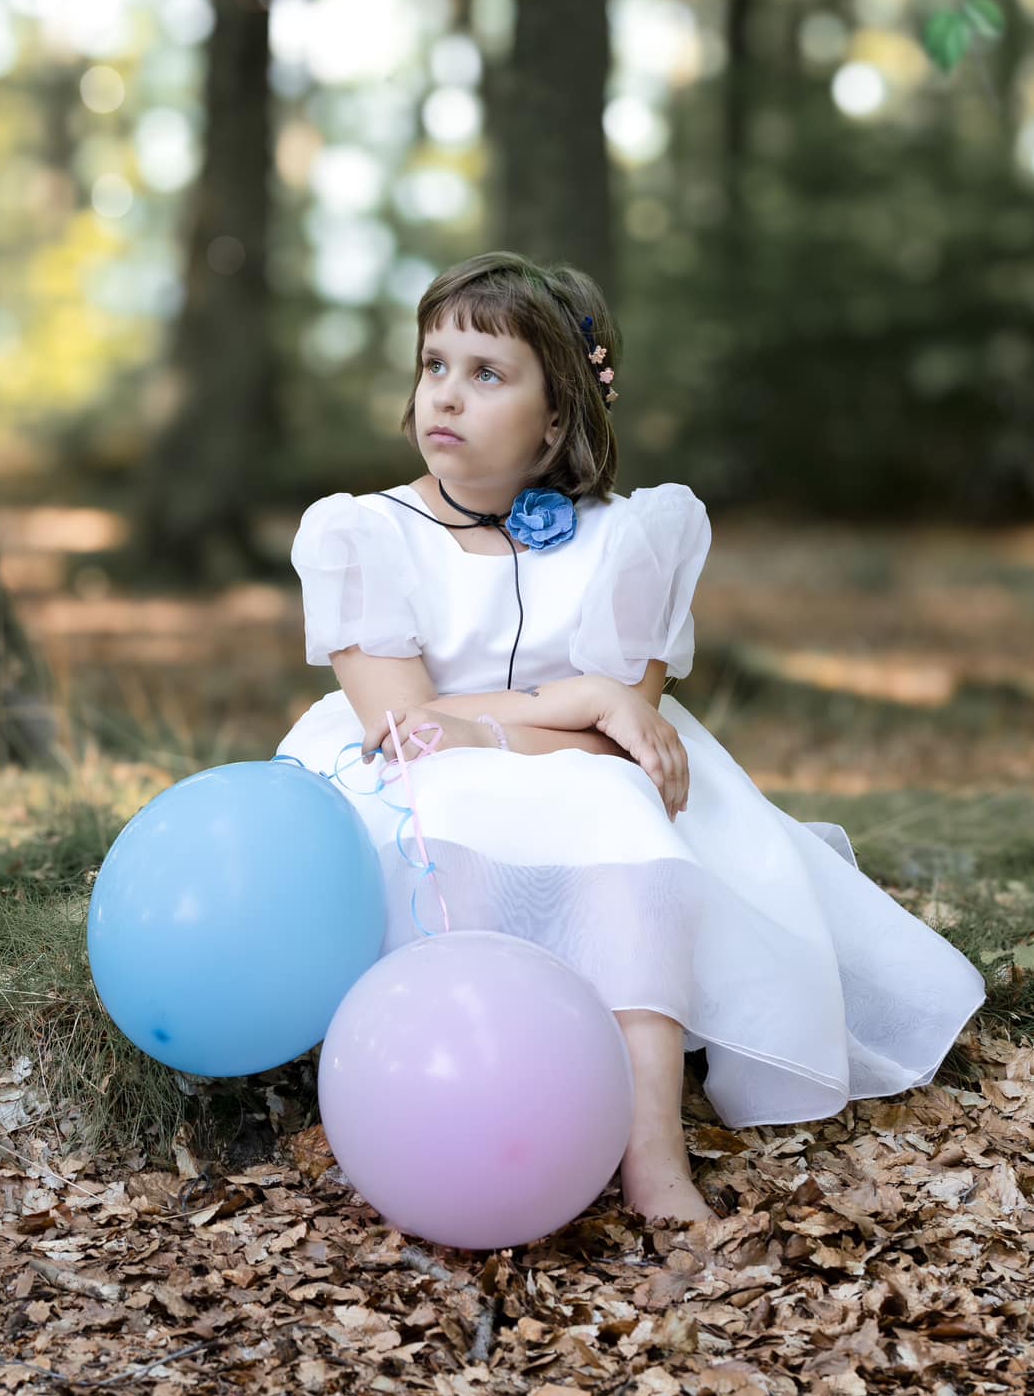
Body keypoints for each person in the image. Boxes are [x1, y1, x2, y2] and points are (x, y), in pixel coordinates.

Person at [276, 252, 986, 1226]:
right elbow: (404, 731)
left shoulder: (629, 538)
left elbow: (628, 741)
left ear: (555, 416)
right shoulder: (363, 535)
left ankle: (652, 1150)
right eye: (434, 363)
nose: (445, 393)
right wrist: (575, 695)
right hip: (409, 782)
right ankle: (478, 1096)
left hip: (583, 775)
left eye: (487, 373)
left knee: (624, 810)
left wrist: (518, 720)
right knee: (453, 801)